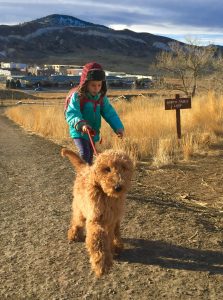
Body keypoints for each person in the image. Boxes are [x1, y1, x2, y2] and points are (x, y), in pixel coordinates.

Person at [65, 62, 124, 164]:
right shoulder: (77, 96)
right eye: (93, 85)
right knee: (85, 154)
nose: (96, 88)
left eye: (99, 85)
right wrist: (81, 124)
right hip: (79, 131)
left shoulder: (101, 98)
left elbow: (110, 113)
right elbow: (72, 113)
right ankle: (83, 177)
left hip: (93, 133)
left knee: (91, 156)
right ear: (85, 84)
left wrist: (118, 127)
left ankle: (89, 177)